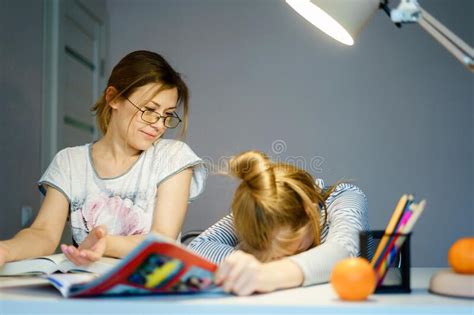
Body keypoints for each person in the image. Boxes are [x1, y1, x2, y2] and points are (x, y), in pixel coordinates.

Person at [0, 50, 207, 267]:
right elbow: (43, 233)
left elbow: (162, 240)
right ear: (113, 98)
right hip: (86, 290)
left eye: (167, 115)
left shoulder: (172, 157)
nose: (158, 124)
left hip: (149, 290)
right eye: (149, 110)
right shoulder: (70, 162)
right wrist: (5, 250)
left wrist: (105, 244)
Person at [188, 150, 374, 296]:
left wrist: (265, 273)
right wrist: (244, 265)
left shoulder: (344, 197)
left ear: (310, 211)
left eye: (295, 250)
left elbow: (344, 250)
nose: (279, 261)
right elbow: (198, 248)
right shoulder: (256, 207)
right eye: (270, 258)